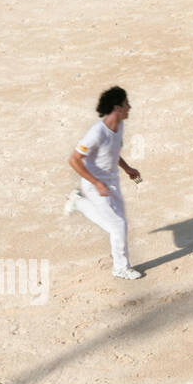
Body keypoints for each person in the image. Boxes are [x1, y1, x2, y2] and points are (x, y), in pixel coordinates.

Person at [65, 86, 143, 280]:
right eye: (126, 104)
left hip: (112, 180)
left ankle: (79, 203)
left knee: (118, 224)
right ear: (117, 108)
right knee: (118, 225)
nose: (129, 107)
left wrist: (127, 168)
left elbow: (113, 152)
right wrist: (96, 183)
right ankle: (121, 267)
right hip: (94, 184)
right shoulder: (97, 133)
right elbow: (74, 159)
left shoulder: (119, 126)